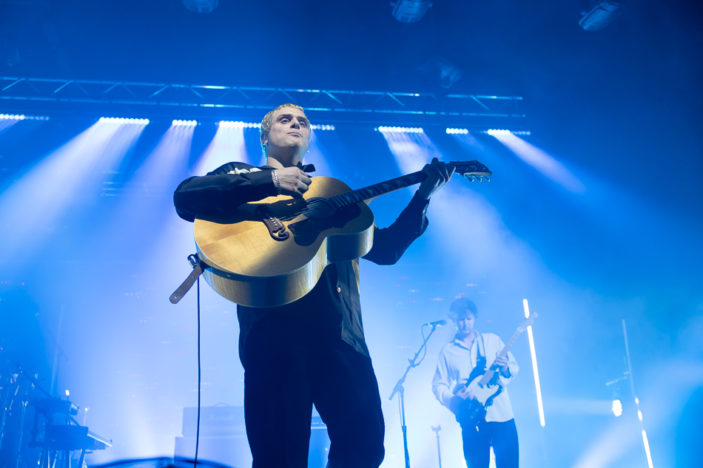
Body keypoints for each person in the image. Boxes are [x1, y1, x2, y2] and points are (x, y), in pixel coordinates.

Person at [173, 103, 454, 468]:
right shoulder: (239, 176)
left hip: (341, 336)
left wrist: (423, 196)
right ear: (264, 137)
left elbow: (386, 250)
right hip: (272, 336)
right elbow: (186, 197)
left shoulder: (331, 195)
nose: (296, 124)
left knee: (365, 447)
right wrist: (272, 182)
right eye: (285, 119)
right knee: (278, 457)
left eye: (303, 122)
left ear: (308, 139)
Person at [432, 298, 519, 468]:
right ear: (454, 320)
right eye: (460, 319)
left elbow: (514, 369)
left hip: (501, 415)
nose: (465, 323)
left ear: (475, 318)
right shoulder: (447, 352)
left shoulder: (492, 340)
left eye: (469, 318)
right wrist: (454, 399)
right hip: (471, 420)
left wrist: (506, 367)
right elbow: (438, 385)